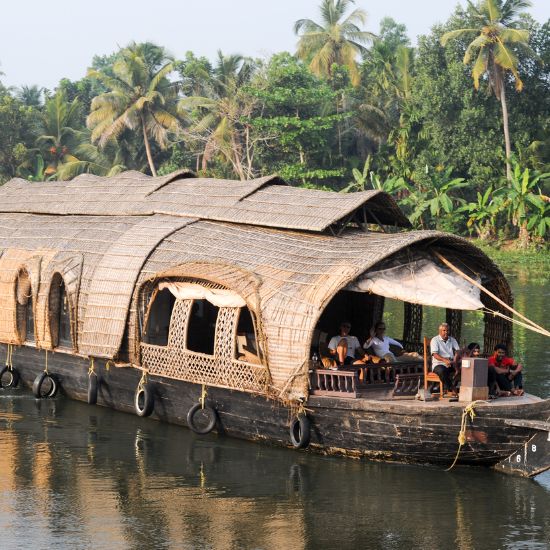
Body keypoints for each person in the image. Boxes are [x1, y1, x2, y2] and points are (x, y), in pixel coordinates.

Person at [430, 323, 460, 394]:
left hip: (451, 363)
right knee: (442, 371)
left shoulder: (452, 339)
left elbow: (458, 351)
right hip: (439, 364)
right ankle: (451, 388)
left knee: (464, 368)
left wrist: (455, 361)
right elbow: (435, 355)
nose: (446, 332)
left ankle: (459, 387)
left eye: (447, 330)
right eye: (444, 330)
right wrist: (445, 360)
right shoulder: (435, 340)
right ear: (439, 331)